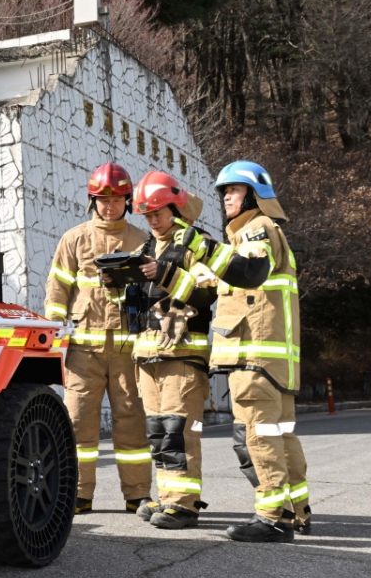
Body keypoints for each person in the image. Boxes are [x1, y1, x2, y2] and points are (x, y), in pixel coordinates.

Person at [177, 161, 309, 543]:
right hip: (277, 364)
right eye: (223, 192)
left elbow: (250, 273)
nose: (226, 198)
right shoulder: (262, 234)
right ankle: (299, 511)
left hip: (255, 361)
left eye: (233, 190)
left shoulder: (255, 229)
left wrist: (201, 246)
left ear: (254, 194)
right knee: (282, 435)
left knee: (258, 436)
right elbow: (228, 281)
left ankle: (273, 518)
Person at [45, 163, 152, 514]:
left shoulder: (142, 241)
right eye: (103, 200)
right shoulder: (74, 239)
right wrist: (55, 332)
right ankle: (78, 494)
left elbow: (153, 291)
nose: (110, 206)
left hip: (127, 349)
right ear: (92, 201)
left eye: (117, 199)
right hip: (83, 350)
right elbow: (57, 289)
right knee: (78, 422)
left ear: (128, 201)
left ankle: (137, 494)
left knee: (132, 420)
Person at [127, 171, 217, 530]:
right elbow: (136, 301)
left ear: (175, 208)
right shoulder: (145, 248)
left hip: (183, 356)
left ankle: (184, 506)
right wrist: (119, 283)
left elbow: (207, 291)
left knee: (179, 431)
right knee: (159, 431)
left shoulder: (198, 243)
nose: (152, 221)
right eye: (147, 216)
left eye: (158, 214)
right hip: (148, 355)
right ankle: (168, 499)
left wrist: (164, 273)